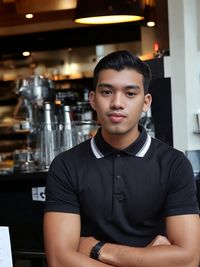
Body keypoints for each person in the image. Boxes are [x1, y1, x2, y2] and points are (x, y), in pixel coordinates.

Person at [43, 50, 200, 267]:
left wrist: (97, 249)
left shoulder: (174, 164)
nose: (117, 103)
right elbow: (60, 260)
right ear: (92, 99)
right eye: (107, 92)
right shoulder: (66, 166)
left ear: (146, 102)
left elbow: (188, 260)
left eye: (130, 93)